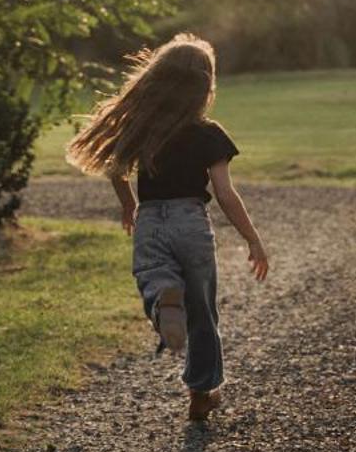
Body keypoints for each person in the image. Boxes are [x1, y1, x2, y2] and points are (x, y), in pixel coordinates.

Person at [66, 34, 270, 422]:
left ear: (157, 79)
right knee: (203, 312)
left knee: (151, 275)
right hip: (190, 221)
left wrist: (130, 207)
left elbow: (116, 170)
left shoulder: (145, 127)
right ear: (205, 86)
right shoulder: (211, 135)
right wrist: (253, 240)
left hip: (151, 219)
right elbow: (225, 194)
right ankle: (201, 393)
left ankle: (163, 299)